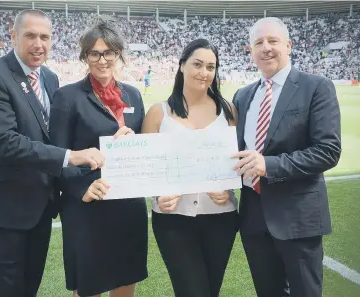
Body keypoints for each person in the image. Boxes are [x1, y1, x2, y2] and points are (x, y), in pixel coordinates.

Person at [0, 9, 104, 297]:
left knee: (29, 287)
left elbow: (51, 135)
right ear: (13, 35)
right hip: (6, 208)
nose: (38, 43)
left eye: (45, 37)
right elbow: (5, 141)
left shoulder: (50, 78)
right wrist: (72, 156)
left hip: (40, 206)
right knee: (6, 291)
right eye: (30, 35)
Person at [232, 17, 341, 297]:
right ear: (251, 50)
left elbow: (327, 150)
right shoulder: (243, 96)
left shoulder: (316, 87)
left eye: (273, 41)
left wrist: (268, 165)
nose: (266, 48)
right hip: (254, 217)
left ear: (289, 45)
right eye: (258, 43)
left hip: (298, 217)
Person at [49, 19, 148, 297]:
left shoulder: (133, 95)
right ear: (85, 56)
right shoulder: (67, 97)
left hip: (128, 203)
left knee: (126, 279)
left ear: (119, 55)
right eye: (94, 53)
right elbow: (58, 155)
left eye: (109, 53)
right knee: (89, 285)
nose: (102, 60)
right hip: (87, 206)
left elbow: (144, 149)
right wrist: (82, 188)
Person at [142, 38, 239, 297]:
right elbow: (147, 169)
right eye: (197, 64)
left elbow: (236, 161)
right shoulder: (158, 113)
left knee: (210, 290)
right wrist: (157, 196)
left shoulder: (229, 111)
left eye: (211, 67)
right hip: (173, 221)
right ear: (182, 65)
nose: (204, 73)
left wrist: (228, 189)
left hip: (222, 217)